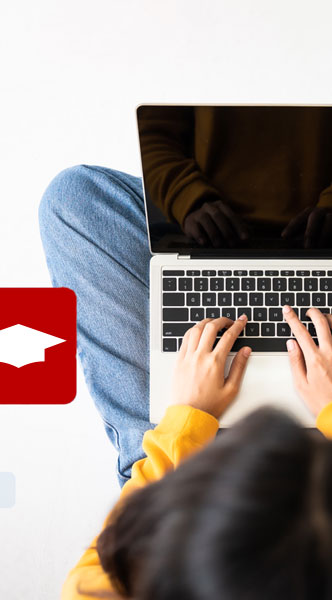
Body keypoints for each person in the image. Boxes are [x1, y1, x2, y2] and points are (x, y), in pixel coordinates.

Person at [39, 165, 332, 599]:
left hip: (179, 494)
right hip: (310, 484)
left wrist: (187, 419)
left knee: (74, 201)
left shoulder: (113, 586)